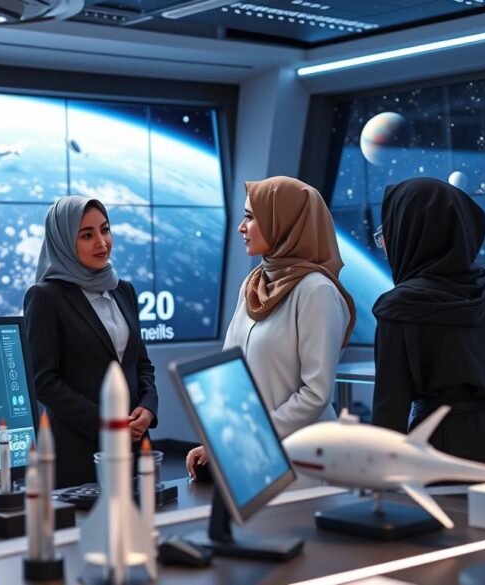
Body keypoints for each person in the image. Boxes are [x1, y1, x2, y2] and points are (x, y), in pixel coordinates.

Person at [371, 177, 485, 472]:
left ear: (411, 231)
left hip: (441, 451)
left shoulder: (399, 307)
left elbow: (389, 412)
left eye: (389, 231)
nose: (386, 243)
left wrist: (375, 479)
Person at [186, 176, 356, 479]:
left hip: (302, 461)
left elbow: (316, 393)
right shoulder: (253, 284)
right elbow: (230, 373)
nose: (241, 227)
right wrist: (219, 442)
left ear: (283, 223)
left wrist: (251, 435)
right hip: (253, 455)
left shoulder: (316, 291)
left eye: (251, 217)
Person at [24, 196, 158, 488]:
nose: (101, 242)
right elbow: (44, 382)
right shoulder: (45, 297)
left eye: (105, 230)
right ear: (63, 241)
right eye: (87, 235)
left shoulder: (123, 290)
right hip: (79, 450)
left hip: (134, 446)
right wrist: (106, 424)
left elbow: (141, 363)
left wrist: (149, 406)